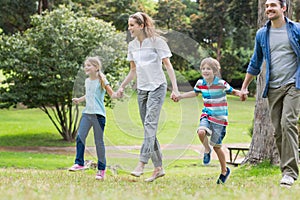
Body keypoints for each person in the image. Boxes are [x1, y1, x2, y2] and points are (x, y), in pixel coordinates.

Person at [240, 0, 300, 188]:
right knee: (278, 131)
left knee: (288, 122)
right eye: (266, 6)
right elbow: (255, 61)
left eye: (273, 5)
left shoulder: (296, 30)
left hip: (294, 84)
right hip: (273, 87)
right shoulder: (262, 34)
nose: (268, 9)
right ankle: (286, 170)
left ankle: (290, 172)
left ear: (284, 8)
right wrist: (244, 87)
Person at [117, 12, 179, 182]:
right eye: (129, 25)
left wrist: (175, 88)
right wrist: (122, 86)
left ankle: (141, 164)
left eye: (132, 25)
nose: (129, 28)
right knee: (148, 128)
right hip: (142, 89)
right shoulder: (132, 46)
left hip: (157, 87)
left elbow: (168, 65)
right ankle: (158, 167)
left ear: (141, 25)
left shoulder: (157, 43)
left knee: (150, 124)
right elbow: (133, 70)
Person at [172, 57, 241, 184]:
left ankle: (224, 171)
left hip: (220, 120)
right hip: (207, 115)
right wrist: (180, 96)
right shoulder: (200, 83)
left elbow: (234, 91)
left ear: (214, 71)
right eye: (203, 68)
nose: (205, 71)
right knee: (200, 132)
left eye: (208, 68)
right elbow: (195, 93)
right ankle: (206, 150)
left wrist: (241, 94)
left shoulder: (221, 83)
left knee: (217, 146)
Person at [68, 56, 118, 181]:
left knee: (98, 142)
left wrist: (118, 94)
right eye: (85, 65)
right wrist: (80, 99)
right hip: (87, 113)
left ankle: (101, 170)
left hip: (98, 115)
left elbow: (112, 94)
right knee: (80, 136)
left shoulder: (102, 80)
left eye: (89, 65)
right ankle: (79, 163)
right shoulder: (87, 81)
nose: (86, 67)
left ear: (96, 67)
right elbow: (89, 94)